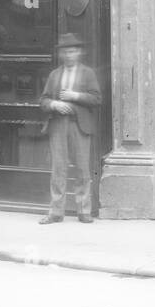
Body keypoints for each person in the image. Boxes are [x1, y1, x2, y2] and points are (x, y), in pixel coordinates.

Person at [38, 32, 102, 224]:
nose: (69, 55)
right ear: (61, 54)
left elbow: (97, 99)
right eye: (66, 51)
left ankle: (84, 211)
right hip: (58, 125)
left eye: (73, 51)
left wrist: (75, 96)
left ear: (79, 52)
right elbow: (43, 100)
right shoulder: (55, 74)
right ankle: (56, 212)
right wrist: (54, 105)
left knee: (82, 168)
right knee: (58, 168)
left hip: (79, 125)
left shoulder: (87, 73)